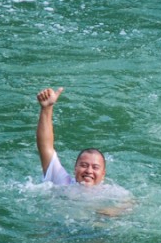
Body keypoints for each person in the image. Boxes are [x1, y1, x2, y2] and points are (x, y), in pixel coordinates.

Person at [36, 87, 133, 215]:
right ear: (75, 169)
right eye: (84, 165)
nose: (89, 171)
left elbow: (131, 203)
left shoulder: (112, 191)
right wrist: (46, 109)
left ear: (103, 174)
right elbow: (45, 147)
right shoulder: (63, 183)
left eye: (95, 167)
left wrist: (113, 211)